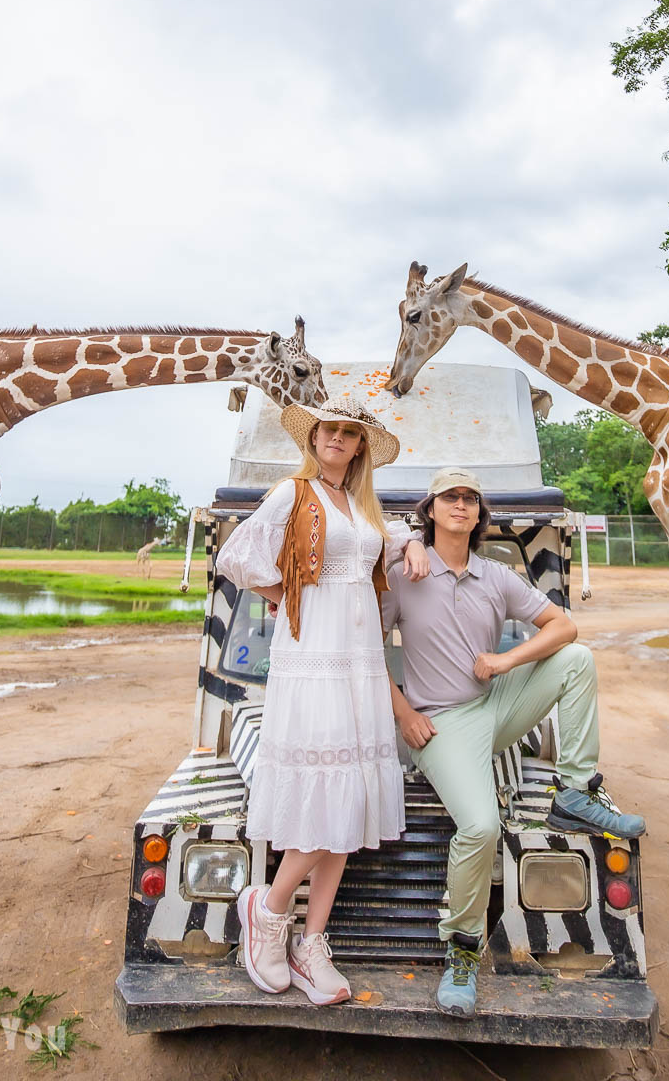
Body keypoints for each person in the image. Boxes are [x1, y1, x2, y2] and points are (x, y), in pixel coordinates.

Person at [381, 466, 646, 1019]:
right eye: (449, 497)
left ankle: (575, 791)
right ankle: (461, 950)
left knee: (575, 659)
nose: (460, 505)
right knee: (479, 827)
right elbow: (363, 649)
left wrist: (505, 659)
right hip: (440, 723)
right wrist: (403, 711)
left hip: (496, 703)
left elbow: (562, 626)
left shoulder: (495, 575)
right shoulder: (405, 573)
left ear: (479, 514)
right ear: (430, 510)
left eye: (470, 498)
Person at [217, 398, 429, 1007]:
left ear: (360, 446)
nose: (336, 439)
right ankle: (270, 907)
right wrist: (279, 594)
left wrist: (411, 542)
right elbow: (235, 556)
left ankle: (311, 944)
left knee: (350, 796)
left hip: (360, 658)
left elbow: (387, 545)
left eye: (348, 433)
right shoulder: (292, 491)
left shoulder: (362, 505)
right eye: (328, 430)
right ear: (314, 439)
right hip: (313, 657)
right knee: (329, 791)